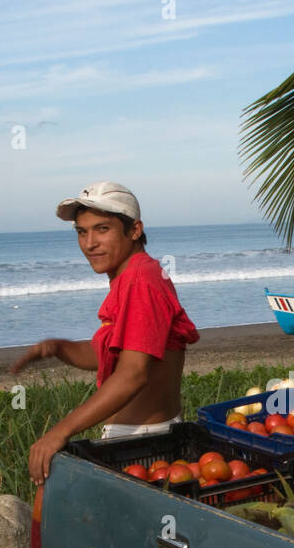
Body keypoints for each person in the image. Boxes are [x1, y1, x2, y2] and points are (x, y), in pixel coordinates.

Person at [12, 181, 200, 485]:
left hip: (144, 444)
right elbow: (111, 354)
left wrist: (59, 431)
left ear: (134, 230)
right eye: (81, 232)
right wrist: (59, 348)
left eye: (102, 229)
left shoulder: (140, 280)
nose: (89, 243)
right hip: (137, 440)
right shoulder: (131, 277)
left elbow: (132, 374)